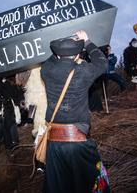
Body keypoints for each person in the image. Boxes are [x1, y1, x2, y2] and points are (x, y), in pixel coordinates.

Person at [40, 30, 110, 193]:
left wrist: (59, 44)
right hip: (77, 142)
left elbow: (50, 60)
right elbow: (102, 63)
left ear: (57, 55)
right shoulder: (83, 71)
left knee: (58, 187)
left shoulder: (46, 71)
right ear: (78, 54)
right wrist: (87, 41)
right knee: (92, 185)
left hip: (53, 143)